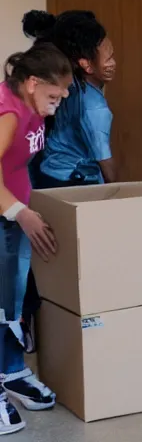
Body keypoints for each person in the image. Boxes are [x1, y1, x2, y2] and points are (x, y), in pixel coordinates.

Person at [0, 43, 73, 435]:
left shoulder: (32, 109)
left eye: (62, 98)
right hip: (7, 213)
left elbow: (16, 165)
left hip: (11, 217)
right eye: (52, 96)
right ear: (31, 83)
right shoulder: (8, 113)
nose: (57, 104)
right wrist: (20, 212)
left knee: (10, 303)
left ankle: (11, 372)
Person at [22, 10, 117, 188]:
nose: (113, 63)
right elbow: (105, 160)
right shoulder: (95, 108)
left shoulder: (68, 83)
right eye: (109, 58)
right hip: (71, 180)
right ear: (85, 64)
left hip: (46, 170)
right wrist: (123, 192)